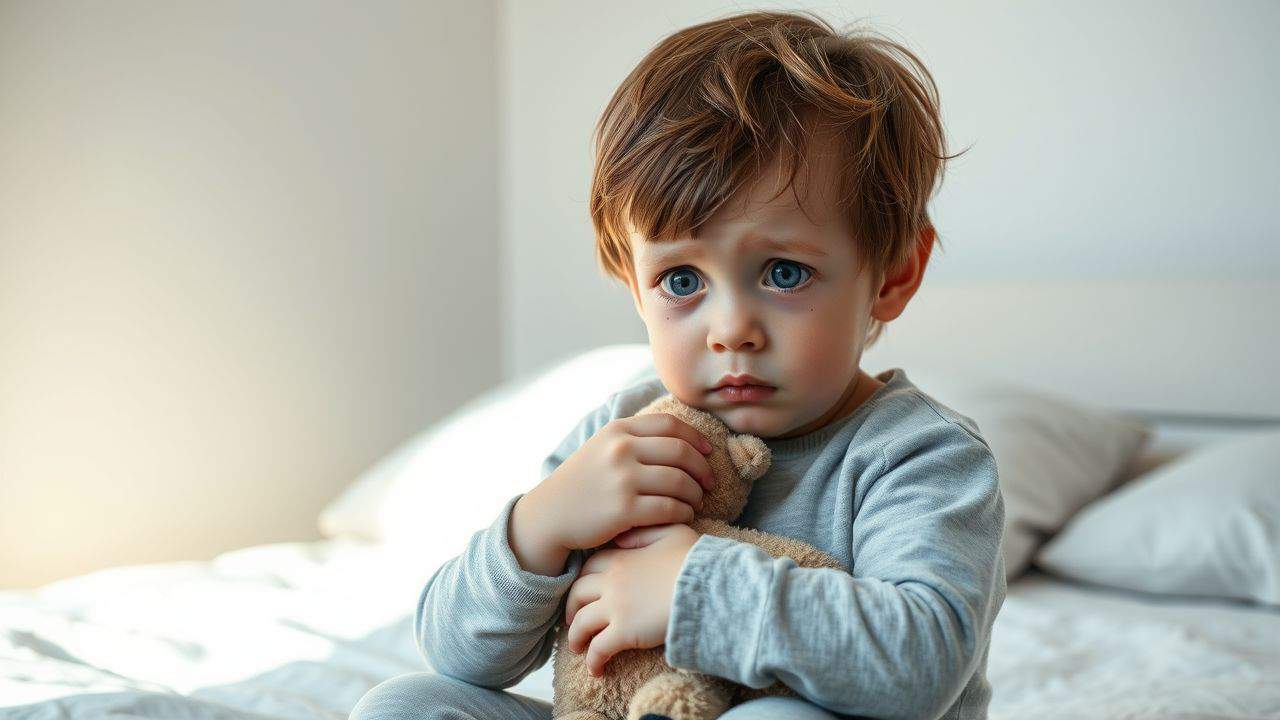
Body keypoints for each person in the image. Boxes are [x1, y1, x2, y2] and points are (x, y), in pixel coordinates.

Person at [351, 9, 1004, 720]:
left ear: (892, 274)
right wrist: (538, 527)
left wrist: (691, 586)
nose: (731, 331)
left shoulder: (921, 456)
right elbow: (461, 655)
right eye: (682, 282)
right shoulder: (625, 432)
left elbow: (921, 666)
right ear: (633, 286)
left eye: (784, 273)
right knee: (407, 702)